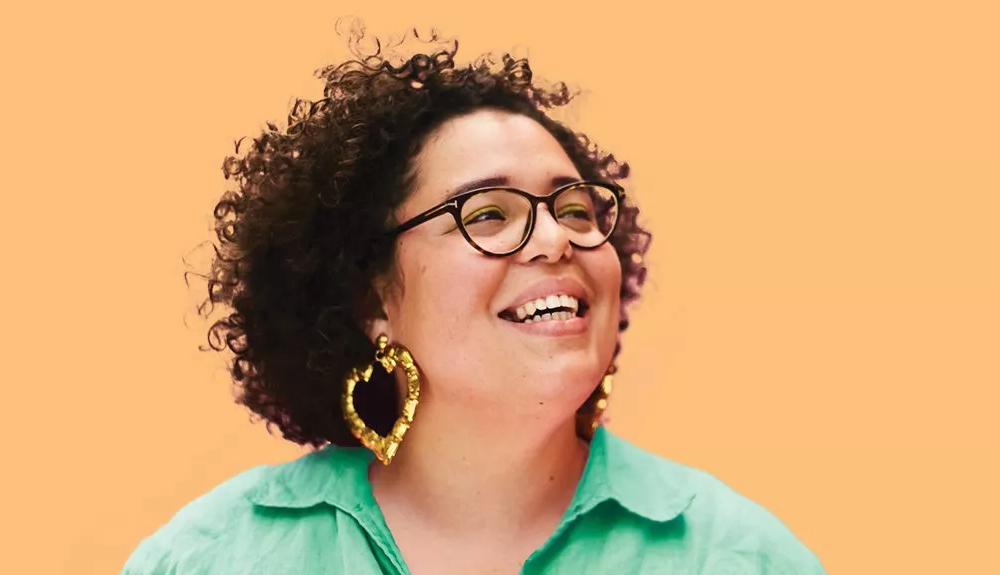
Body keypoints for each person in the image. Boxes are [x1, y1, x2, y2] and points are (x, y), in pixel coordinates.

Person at [122, 24, 826, 575]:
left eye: (576, 210)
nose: (555, 239)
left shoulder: (739, 555)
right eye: (487, 213)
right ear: (373, 299)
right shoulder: (213, 556)